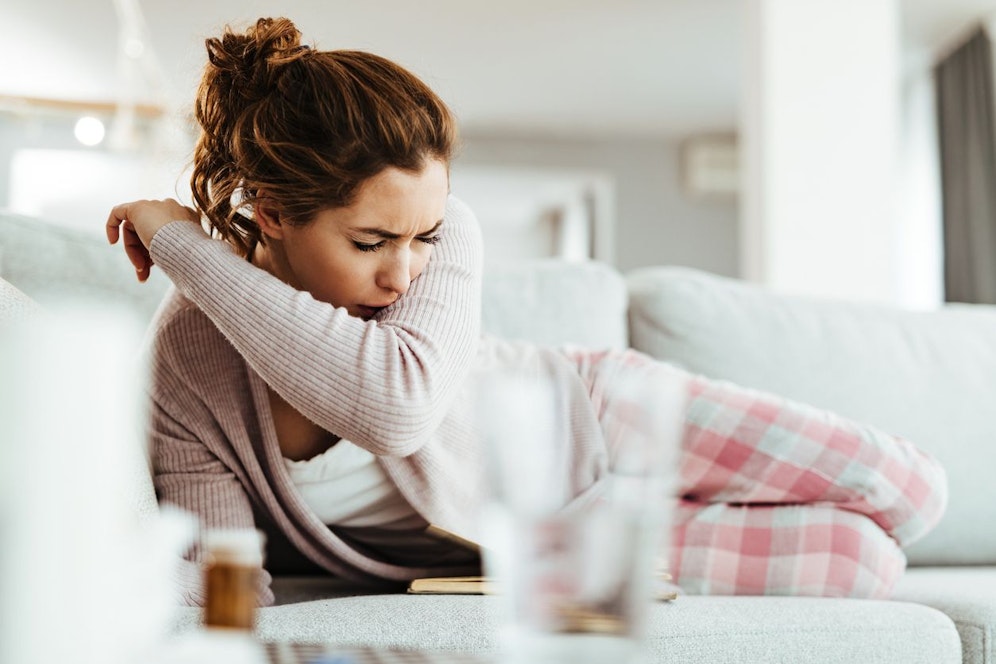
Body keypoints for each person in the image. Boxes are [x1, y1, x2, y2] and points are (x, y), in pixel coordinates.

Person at [106, 17, 946, 607]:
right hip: (542, 543)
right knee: (859, 561)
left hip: (597, 413)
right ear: (273, 212)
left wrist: (190, 249)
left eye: (422, 235)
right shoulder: (187, 359)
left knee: (912, 487)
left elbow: (396, 404)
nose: (405, 271)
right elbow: (218, 576)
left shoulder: (451, 241)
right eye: (370, 243)